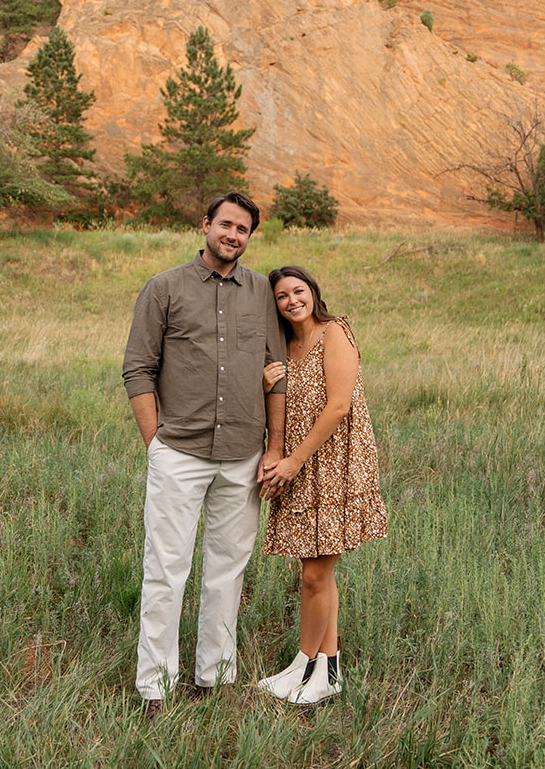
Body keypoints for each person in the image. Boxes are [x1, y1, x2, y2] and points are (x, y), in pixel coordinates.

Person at [122, 192, 287, 720]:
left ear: (249, 237)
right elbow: (138, 370)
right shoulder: (164, 288)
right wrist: (156, 444)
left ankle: (213, 678)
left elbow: (276, 372)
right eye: (226, 225)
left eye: (243, 230)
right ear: (206, 225)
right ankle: (155, 687)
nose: (233, 235)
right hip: (179, 453)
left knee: (226, 573)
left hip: (243, 455)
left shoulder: (261, 290)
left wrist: (277, 447)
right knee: (166, 570)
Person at [256, 265, 388, 705]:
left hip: (335, 464)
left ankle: (307, 663)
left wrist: (292, 462)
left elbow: (337, 407)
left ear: (313, 292)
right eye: (282, 296)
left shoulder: (335, 332)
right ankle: (324, 669)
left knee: (315, 574)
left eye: (299, 291)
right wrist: (265, 386)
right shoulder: (285, 347)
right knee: (315, 573)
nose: (293, 301)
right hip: (302, 467)